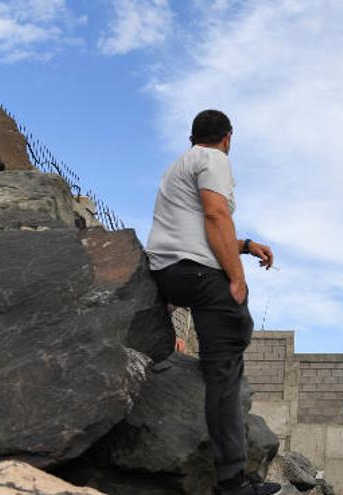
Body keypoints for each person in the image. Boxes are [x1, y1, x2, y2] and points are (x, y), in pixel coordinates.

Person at [147, 109, 281, 495]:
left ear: (192, 137)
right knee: (226, 366)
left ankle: (234, 470)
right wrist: (237, 278)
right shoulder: (215, 160)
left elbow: (193, 227)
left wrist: (245, 246)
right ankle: (232, 482)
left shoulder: (179, 166)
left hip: (169, 272)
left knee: (222, 357)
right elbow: (215, 213)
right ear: (228, 138)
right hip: (200, 275)